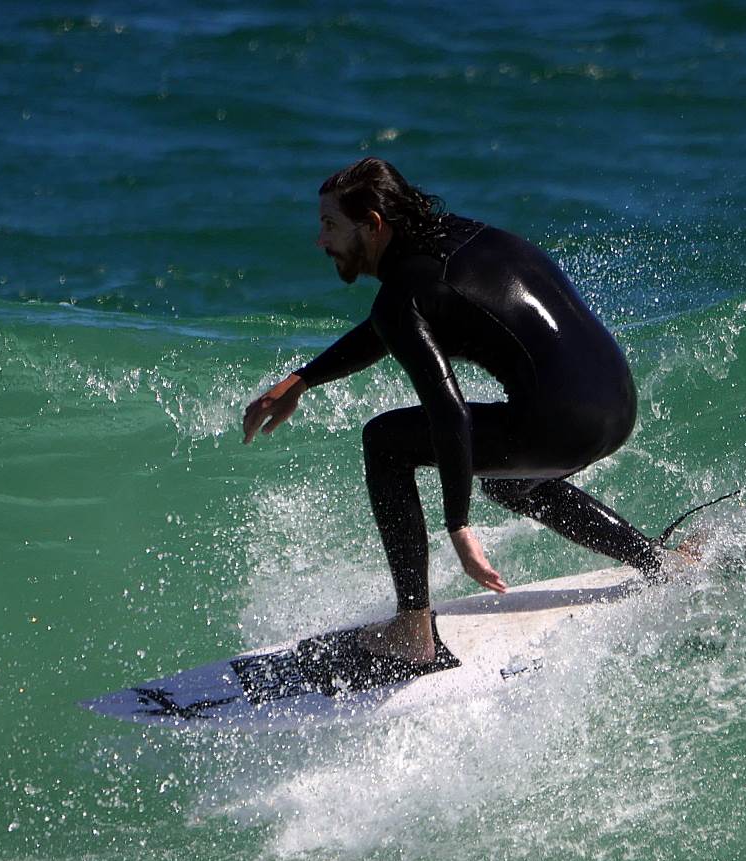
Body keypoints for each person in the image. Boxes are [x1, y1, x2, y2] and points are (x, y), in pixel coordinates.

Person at [242, 158, 670, 664]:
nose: (320, 240)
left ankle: (412, 631)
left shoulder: (405, 297)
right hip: (615, 406)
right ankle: (661, 564)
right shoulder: (461, 237)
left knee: (385, 441)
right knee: (512, 482)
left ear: (373, 225)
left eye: (331, 225)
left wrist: (458, 526)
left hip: (564, 424)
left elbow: (449, 411)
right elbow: (398, 320)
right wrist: (304, 379)